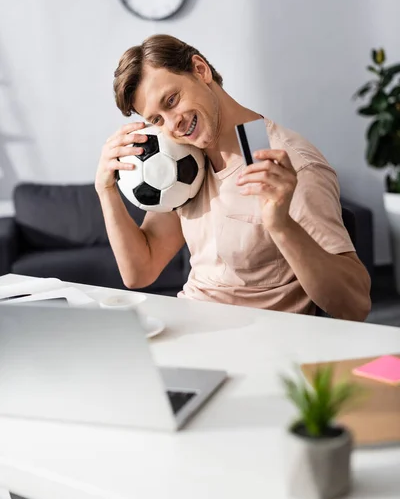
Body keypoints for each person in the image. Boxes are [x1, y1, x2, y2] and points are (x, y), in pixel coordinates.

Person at [96, 34, 371, 324]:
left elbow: (355, 305)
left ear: (200, 70)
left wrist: (281, 225)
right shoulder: (182, 159)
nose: (173, 124)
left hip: (253, 344)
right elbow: (140, 272)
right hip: (190, 326)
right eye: (158, 119)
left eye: (172, 100)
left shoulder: (289, 165)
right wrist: (105, 189)